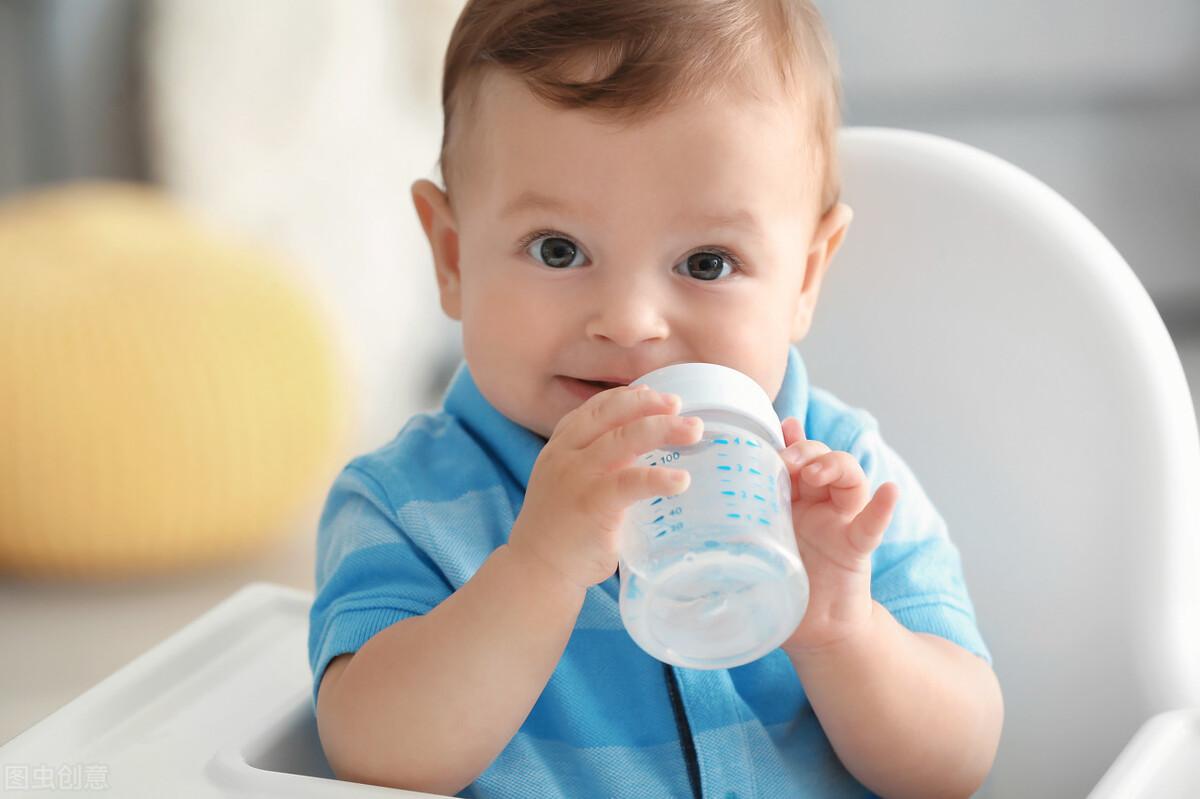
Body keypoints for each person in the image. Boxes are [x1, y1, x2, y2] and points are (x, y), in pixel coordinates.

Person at [308, 1, 1004, 796]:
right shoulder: (404, 503)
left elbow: (956, 764)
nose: (630, 323)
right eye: (558, 249)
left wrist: (843, 630)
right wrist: (538, 568)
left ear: (805, 276)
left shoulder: (848, 485)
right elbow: (373, 753)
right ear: (454, 257)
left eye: (707, 262)